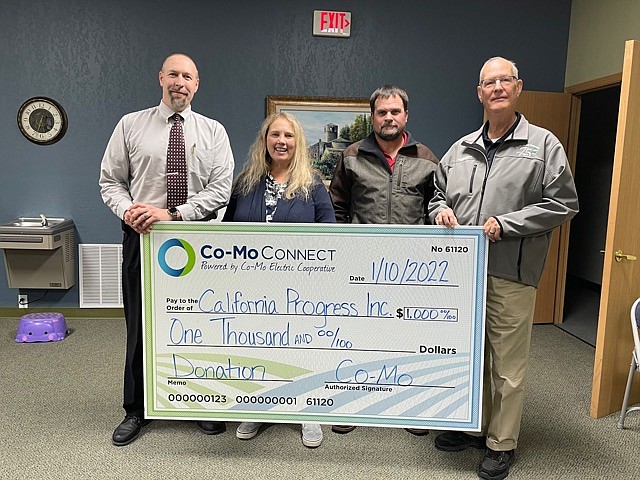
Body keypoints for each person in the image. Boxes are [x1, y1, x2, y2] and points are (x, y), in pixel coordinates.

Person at [429, 57, 579, 480]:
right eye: (488, 82)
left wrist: (507, 224)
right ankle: (476, 428)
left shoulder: (543, 146)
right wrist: (440, 211)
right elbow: (437, 194)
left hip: (510, 274)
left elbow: (564, 203)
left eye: (504, 80)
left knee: (507, 365)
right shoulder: (459, 149)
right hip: (463, 275)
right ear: (479, 93)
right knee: (471, 357)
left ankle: (501, 443)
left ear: (518, 88)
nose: (496, 87)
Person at [99, 53, 235, 446]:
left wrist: (173, 215)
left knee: (201, 326)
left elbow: (220, 189)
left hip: (198, 242)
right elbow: (110, 181)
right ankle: (136, 409)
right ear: (161, 78)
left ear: (197, 84)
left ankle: (197, 403)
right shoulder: (130, 125)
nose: (180, 81)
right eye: (173, 74)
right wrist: (131, 212)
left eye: (187, 76)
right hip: (142, 238)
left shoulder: (213, 132)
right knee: (141, 327)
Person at [328, 85, 439, 435]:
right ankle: (354, 405)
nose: (388, 118)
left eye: (395, 112)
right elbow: (337, 208)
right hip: (361, 267)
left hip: (413, 270)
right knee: (359, 337)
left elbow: (437, 205)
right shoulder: (351, 155)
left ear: (406, 115)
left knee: (408, 337)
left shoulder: (426, 157)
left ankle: (410, 407)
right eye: (381, 112)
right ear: (372, 116)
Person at [223, 111, 335, 447]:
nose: (281, 141)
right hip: (251, 286)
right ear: (265, 141)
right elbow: (225, 231)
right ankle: (258, 405)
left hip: (301, 288)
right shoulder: (245, 182)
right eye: (275, 135)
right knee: (256, 345)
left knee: (301, 346)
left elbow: (330, 234)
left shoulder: (313, 184)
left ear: (297, 142)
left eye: (288, 136)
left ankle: (307, 410)